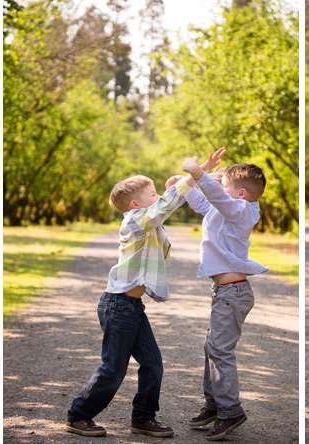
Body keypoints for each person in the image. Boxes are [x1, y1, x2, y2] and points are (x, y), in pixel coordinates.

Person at [65, 163, 216, 438]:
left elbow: (165, 207)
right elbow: (162, 209)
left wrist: (197, 181)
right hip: (117, 305)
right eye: (152, 194)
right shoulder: (135, 220)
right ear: (135, 204)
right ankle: (78, 416)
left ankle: (143, 418)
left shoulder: (148, 221)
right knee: (113, 368)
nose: (158, 197)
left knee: (152, 363)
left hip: (132, 307)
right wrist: (191, 175)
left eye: (158, 193)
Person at [178, 147, 266, 441]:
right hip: (224, 293)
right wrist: (195, 175)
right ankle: (213, 405)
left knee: (220, 350)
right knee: (211, 348)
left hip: (233, 294)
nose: (218, 185)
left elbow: (214, 195)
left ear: (240, 193)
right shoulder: (224, 208)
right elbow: (200, 200)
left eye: (224, 184)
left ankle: (231, 412)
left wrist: (197, 172)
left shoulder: (241, 211)